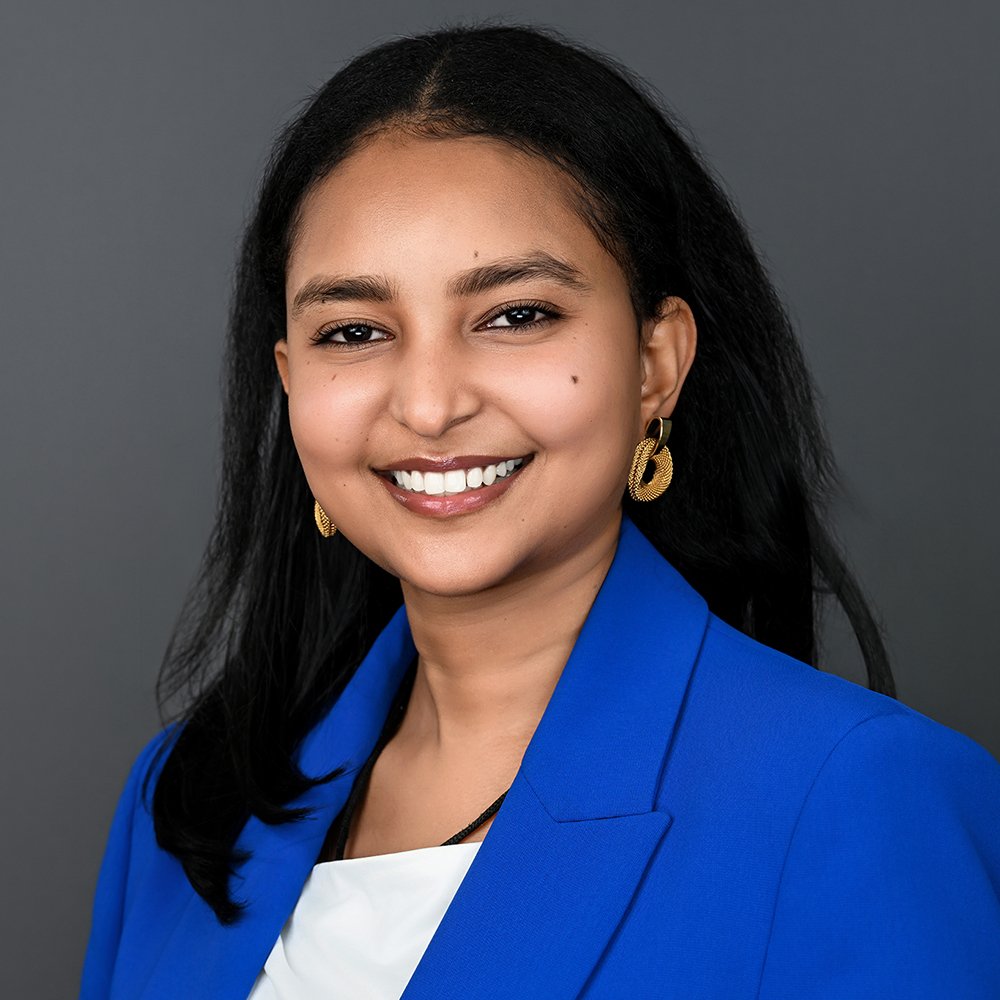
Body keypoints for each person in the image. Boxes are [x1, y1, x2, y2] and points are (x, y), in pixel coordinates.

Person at [80, 23, 1000, 1000]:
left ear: (656, 363)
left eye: (515, 315)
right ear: (291, 381)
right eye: (354, 330)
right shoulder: (189, 798)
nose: (428, 404)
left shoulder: (854, 796)